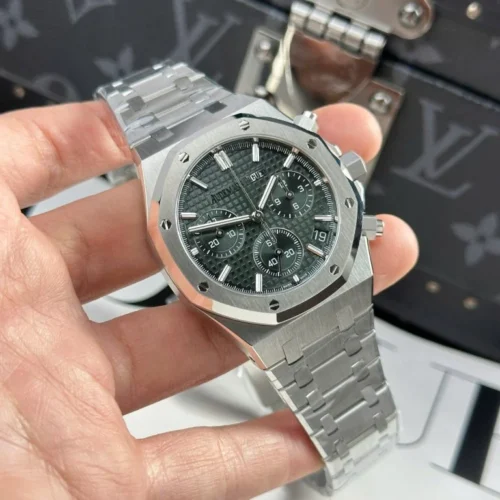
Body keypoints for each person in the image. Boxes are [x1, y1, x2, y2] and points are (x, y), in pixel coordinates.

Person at [0, 100, 418, 499]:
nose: (258, 217)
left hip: (328, 280)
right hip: (259, 295)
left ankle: (356, 432)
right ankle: (356, 436)